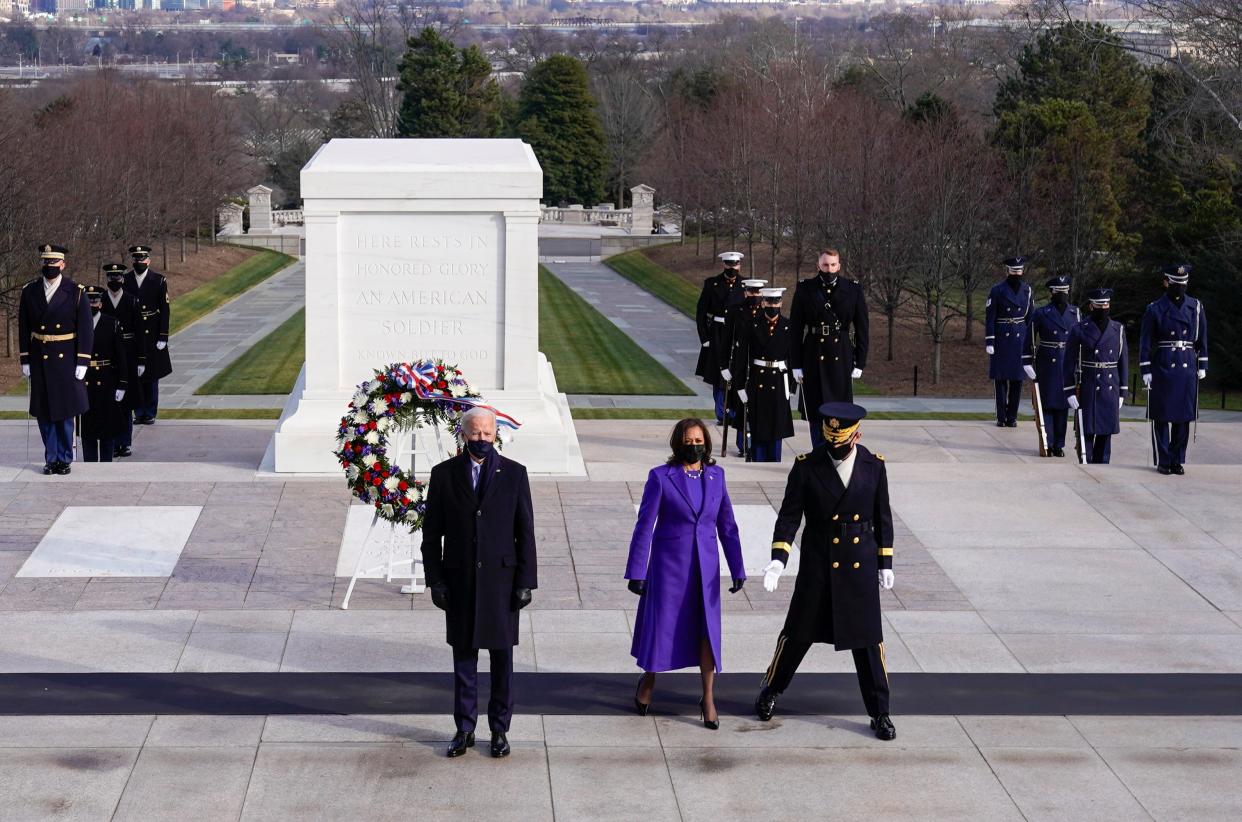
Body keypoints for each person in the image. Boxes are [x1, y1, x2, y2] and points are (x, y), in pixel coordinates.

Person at [754, 402, 897, 740]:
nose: (834, 445)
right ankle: (771, 689)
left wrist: (885, 561)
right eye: (829, 437)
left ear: (856, 434)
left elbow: (883, 517)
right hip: (819, 562)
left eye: (841, 439)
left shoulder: (873, 467)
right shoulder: (806, 467)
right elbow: (790, 517)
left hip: (858, 566)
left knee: (868, 644)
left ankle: (880, 713)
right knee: (797, 634)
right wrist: (778, 558)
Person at [420, 407, 537, 759]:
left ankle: (499, 729)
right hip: (460, 583)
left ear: (495, 434)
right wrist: (436, 580)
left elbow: (525, 532)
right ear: (463, 435)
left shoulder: (515, 474)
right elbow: (431, 535)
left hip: (502, 584)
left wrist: (526, 581)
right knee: (464, 661)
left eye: (487, 433)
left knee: (502, 661)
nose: (482, 439)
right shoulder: (443, 475)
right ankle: (464, 728)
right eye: (476, 434)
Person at [625, 418, 746, 730]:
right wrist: (637, 570)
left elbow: (727, 524)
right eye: (689, 441)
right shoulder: (661, 477)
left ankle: (707, 698)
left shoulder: (717, 476)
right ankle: (648, 681)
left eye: (699, 440)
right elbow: (644, 526)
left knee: (707, 632)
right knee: (662, 628)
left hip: (705, 571)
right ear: (678, 444)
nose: (695, 446)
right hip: (669, 569)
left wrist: (737, 567)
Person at [18, 244, 92, 476]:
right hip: (40, 357)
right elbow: (23, 327)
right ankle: (51, 458)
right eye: (45, 262)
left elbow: (86, 329)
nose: (49, 266)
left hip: (66, 359)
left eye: (53, 262)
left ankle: (65, 458)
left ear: (63, 264)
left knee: (65, 412)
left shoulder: (76, 291)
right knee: (44, 412)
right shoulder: (29, 291)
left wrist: (82, 361)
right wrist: (25, 358)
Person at [789, 249, 869, 449]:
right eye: (825, 265)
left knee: (840, 410)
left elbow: (862, 328)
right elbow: (796, 330)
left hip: (841, 354)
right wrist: (796, 364)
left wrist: (860, 361)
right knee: (816, 410)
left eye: (833, 265)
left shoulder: (853, 290)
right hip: (813, 352)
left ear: (839, 266)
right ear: (818, 265)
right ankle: (818, 453)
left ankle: (839, 451)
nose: (829, 269)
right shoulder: (805, 289)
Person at [1140, 264, 1208, 475]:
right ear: (1166, 282)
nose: (1180, 287)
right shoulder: (1154, 308)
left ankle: (1177, 459)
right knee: (1161, 415)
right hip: (1163, 364)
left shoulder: (1195, 307)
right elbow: (1145, 342)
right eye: (1176, 283)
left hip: (1187, 363)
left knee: (1182, 416)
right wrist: (1145, 369)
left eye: (1183, 283)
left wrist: (1203, 364)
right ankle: (1163, 459)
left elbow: (1202, 338)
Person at [731, 287, 795, 463]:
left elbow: (794, 358)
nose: (772, 305)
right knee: (758, 425)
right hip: (757, 380)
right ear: (763, 302)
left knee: (776, 427)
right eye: (768, 301)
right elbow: (741, 358)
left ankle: (774, 461)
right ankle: (757, 460)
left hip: (779, 381)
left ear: (781, 303)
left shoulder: (789, 327)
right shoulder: (751, 325)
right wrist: (739, 385)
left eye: (775, 302)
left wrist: (792, 385)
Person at [1065, 289, 1128, 465]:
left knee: (1105, 433)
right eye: (1099, 305)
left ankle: (1103, 467)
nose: (1103, 308)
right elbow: (1069, 362)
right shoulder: (1079, 329)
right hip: (1089, 385)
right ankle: (1086, 465)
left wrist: (1123, 391)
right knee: (1086, 431)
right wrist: (1069, 390)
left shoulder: (1118, 329)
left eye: (1106, 304)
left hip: (1110, 386)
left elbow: (1123, 361)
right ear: (1091, 306)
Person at [1030, 275, 1079, 457]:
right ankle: (1047, 442)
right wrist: (1027, 361)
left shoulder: (1075, 313)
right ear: (1051, 292)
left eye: (1065, 291)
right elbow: (1029, 338)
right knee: (1048, 404)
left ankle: (1059, 444)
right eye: (1059, 292)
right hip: (1047, 361)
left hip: (1067, 360)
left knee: (1063, 405)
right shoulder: (1041, 313)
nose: (1063, 294)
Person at [695, 252, 746, 425]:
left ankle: (733, 412)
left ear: (740, 265)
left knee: (736, 373)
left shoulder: (745, 285)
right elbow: (701, 312)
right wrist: (705, 338)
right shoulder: (712, 284)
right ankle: (721, 413)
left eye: (735, 264)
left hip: (736, 334)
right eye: (729, 265)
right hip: (717, 333)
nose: (732, 268)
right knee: (718, 376)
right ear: (724, 265)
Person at [98, 262, 144, 457]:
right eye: (111, 278)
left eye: (117, 278)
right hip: (109, 356)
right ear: (107, 280)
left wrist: (141, 360)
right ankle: (114, 440)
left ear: (123, 279)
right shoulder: (100, 301)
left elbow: (140, 333)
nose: (114, 281)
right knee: (111, 403)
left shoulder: (132, 301)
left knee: (126, 403)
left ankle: (125, 442)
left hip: (129, 355)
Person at [985, 256, 1035, 428]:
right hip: (1001, 337)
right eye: (1014, 271)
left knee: (1017, 380)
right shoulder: (997, 290)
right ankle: (1001, 416)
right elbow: (990, 317)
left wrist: (1030, 342)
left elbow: (1030, 318)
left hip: (1019, 337)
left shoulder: (1027, 291)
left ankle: (1012, 416)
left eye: (1019, 271)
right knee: (1000, 379)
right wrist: (990, 340)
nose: (1016, 273)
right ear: (1007, 271)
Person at [79, 286, 128, 463]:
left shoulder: (111, 323)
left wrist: (122, 383)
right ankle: (90, 464)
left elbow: (121, 356)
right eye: (88, 301)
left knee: (107, 429)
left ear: (100, 303)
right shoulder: (77, 324)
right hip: (85, 380)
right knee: (88, 430)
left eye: (95, 301)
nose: (92, 304)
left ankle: (107, 464)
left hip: (107, 380)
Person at [123, 245, 171, 425]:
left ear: (148, 261)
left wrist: (163, 336)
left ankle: (150, 411)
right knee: (135, 376)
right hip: (134, 334)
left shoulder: (158, 280)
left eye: (142, 260)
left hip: (151, 333)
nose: (139, 263)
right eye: (136, 260)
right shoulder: (126, 280)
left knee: (151, 376)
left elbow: (165, 310)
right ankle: (139, 411)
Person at [721, 278, 766, 456]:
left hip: (760, 365)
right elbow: (727, 340)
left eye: (757, 292)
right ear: (745, 292)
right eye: (751, 292)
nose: (754, 296)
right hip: (741, 363)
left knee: (759, 405)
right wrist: (724, 365)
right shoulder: (735, 311)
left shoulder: (767, 312)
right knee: (742, 404)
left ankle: (756, 442)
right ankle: (743, 444)